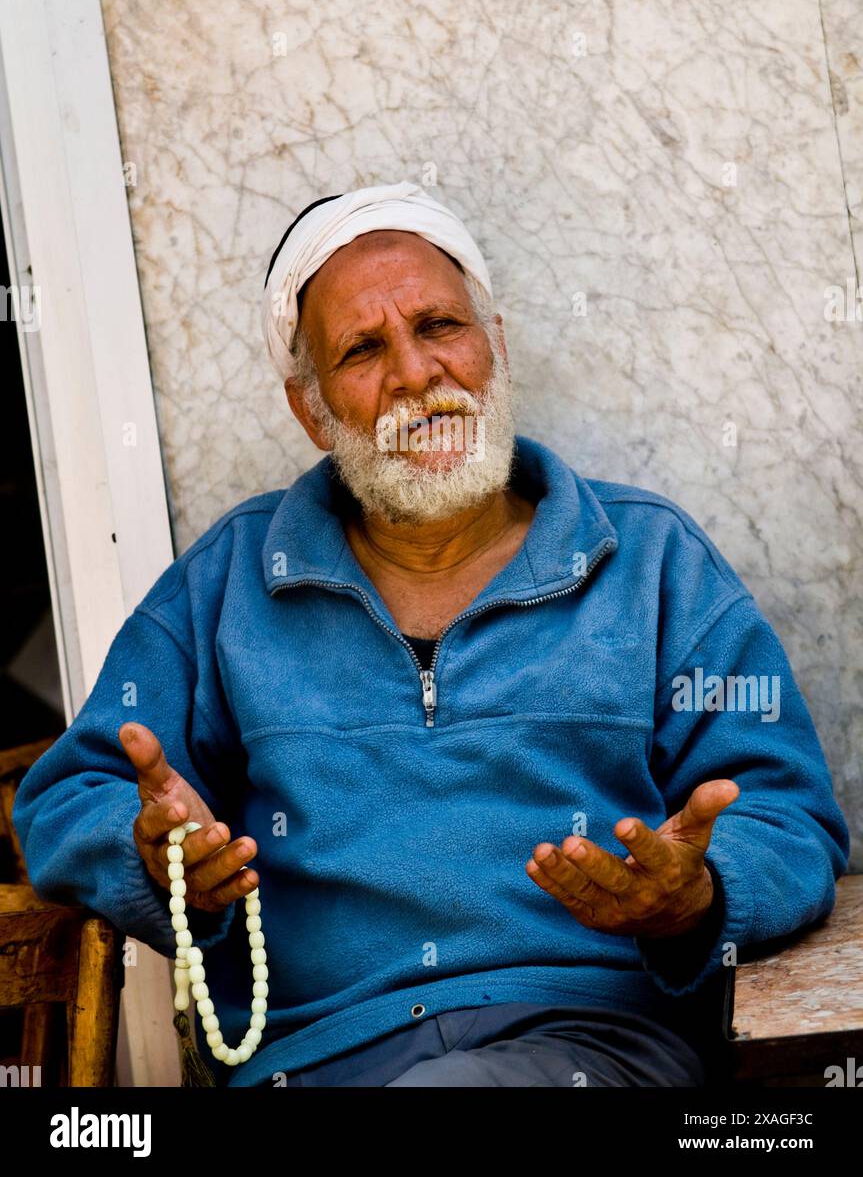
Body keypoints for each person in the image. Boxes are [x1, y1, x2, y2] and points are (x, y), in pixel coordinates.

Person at [13, 182, 850, 1088]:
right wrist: (155, 858)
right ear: (311, 407)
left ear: (494, 340)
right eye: (363, 349)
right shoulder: (226, 583)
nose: (416, 374)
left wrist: (699, 893)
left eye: (440, 326)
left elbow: (788, 814)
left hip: (592, 1046)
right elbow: (69, 798)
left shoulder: (649, 561)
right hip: (312, 1063)